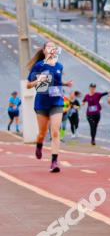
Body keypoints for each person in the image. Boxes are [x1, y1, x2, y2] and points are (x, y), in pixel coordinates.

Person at [26, 41, 73, 173]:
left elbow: (56, 82)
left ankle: (54, 161)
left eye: (54, 47)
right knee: (42, 133)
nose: (52, 49)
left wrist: (65, 84)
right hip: (42, 103)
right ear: (44, 50)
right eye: (49, 47)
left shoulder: (59, 66)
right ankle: (39, 145)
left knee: (55, 132)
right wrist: (38, 81)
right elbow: (28, 85)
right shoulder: (38, 66)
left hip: (56, 101)